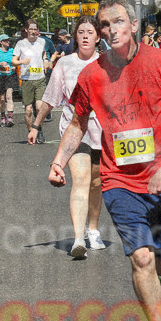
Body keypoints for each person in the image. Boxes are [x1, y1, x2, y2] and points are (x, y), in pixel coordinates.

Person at [49, 0, 161, 321]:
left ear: (133, 25)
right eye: (104, 24)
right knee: (141, 257)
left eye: (117, 21)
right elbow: (78, 122)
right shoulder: (92, 75)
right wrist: (59, 161)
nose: (110, 29)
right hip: (120, 180)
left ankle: (158, 287)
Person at [36, 16, 107, 258]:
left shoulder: (107, 63)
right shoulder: (65, 63)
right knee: (81, 180)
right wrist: (36, 124)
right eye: (81, 32)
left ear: (98, 37)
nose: (85, 36)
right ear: (75, 36)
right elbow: (51, 97)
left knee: (96, 182)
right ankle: (78, 239)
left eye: (90, 32)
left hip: (102, 131)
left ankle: (93, 229)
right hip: (74, 129)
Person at [13, 20, 52, 142]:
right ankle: (30, 131)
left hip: (40, 78)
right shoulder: (21, 43)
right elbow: (13, 61)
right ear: (26, 30)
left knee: (39, 107)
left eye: (35, 29)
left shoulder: (42, 42)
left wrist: (45, 60)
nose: (33, 31)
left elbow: (44, 54)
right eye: (31, 29)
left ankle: (39, 130)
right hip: (27, 79)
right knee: (28, 110)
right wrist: (22, 62)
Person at [0, 34, 19, 127]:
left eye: (8, 40)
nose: (8, 42)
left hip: (10, 76)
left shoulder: (12, 51)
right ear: (1, 42)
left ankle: (10, 118)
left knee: (9, 96)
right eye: (6, 40)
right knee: (2, 98)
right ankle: (3, 117)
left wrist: (14, 66)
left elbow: (16, 61)